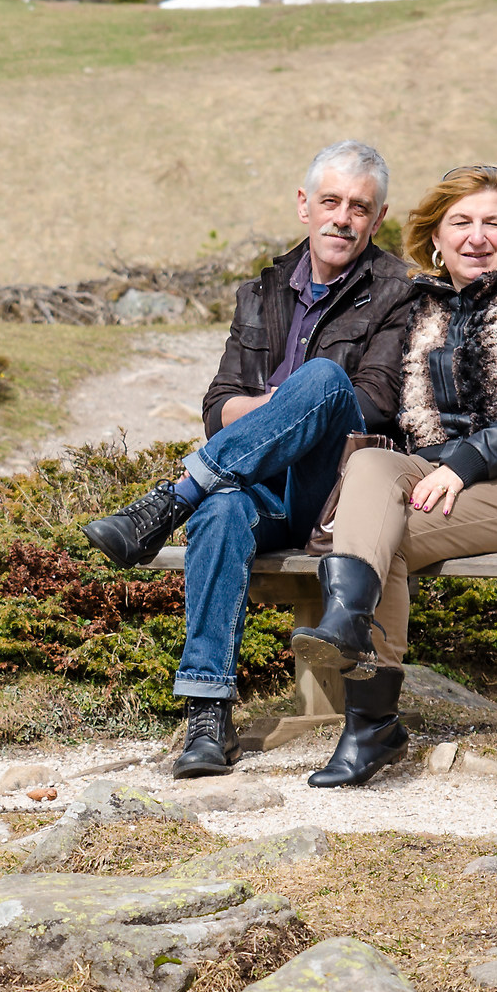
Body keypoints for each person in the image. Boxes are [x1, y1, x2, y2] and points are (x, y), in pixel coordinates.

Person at [83, 141, 418, 780]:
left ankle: (172, 499)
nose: (342, 218)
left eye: (359, 207)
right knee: (222, 512)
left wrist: (290, 400)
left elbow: (372, 402)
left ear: (378, 218)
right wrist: (283, 409)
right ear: (303, 205)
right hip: (258, 486)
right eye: (330, 201)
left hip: (338, 493)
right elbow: (218, 407)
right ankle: (208, 718)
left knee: (324, 379)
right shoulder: (262, 291)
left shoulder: (398, 292)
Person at [289, 163, 497, 788]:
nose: (476, 237)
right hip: (437, 480)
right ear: (435, 236)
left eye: (494, 223)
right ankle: (354, 649)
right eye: (461, 222)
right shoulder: (424, 306)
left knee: (376, 542)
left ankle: (368, 721)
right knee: (371, 472)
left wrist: (466, 462)